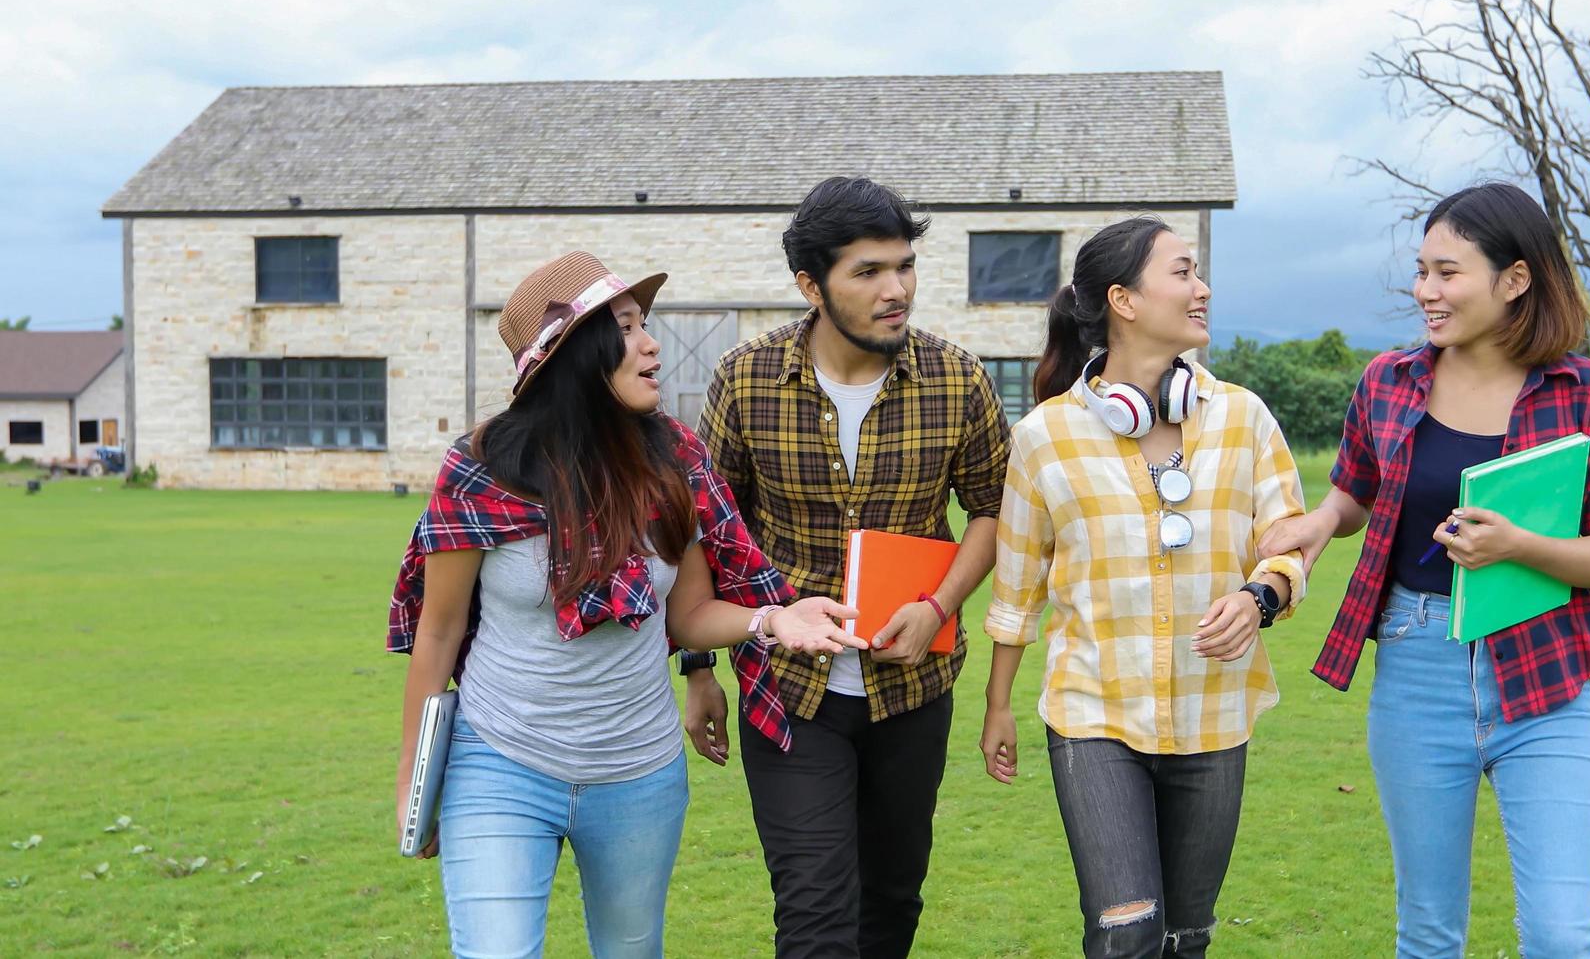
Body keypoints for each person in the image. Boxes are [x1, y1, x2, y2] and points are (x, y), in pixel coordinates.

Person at [386, 251, 861, 959]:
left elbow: (690, 615)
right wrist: (412, 783)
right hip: (499, 761)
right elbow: (440, 632)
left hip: (638, 774)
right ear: (573, 353)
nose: (650, 344)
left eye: (645, 324)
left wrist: (771, 620)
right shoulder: (483, 470)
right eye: (626, 327)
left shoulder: (675, 461)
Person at [1259, 182, 1590, 958]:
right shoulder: (1387, 381)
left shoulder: (1586, 391)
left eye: (1447, 273)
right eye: (1421, 271)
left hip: (1545, 678)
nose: (1424, 292)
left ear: (1514, 281)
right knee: (1429, 936)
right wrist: (1316, 522)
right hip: (1416, 668)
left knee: (1562, 937)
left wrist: (1517, 547)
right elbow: (1355, 492)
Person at [682, 176, 1010, 958]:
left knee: (890, 905)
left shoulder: (957, 378)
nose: (896, 289)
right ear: (811, 285)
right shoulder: (745, 378)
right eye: (867, 272)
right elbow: (705, 533)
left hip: (913, 693)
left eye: (903, 266)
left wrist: (937, 604)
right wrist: (698, 667)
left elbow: (995, 510)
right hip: (787, 692)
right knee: (815, 918)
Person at [979, 216, 1307, 958]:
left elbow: (1287, 547)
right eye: (1183, 272)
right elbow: (1016, 588)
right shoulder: (1041, 437)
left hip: (1214, 713)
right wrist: (998, 706)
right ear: (1123, 300)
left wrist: (1260, 599)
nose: (1203, 288)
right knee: (1125, 936)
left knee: (1184, 940)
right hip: (1092, 715)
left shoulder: (1244, 419)